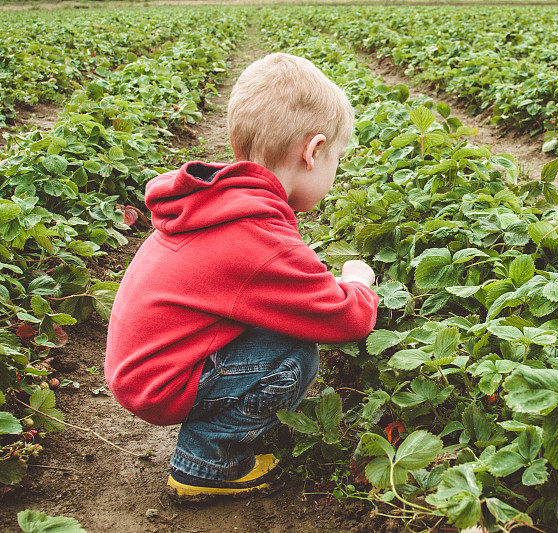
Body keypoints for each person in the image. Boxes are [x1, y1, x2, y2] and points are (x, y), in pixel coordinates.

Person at [104, 53, 379, 500]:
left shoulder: (222, 203)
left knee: (275, 326)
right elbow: (346, 319)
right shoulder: (256, 237)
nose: (335, 171)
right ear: (312, 152)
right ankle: (208, 462)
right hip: (160, 383)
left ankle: (217, 428)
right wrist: (358, 282)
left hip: (143, 367)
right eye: (337, 159)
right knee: (295, 354)